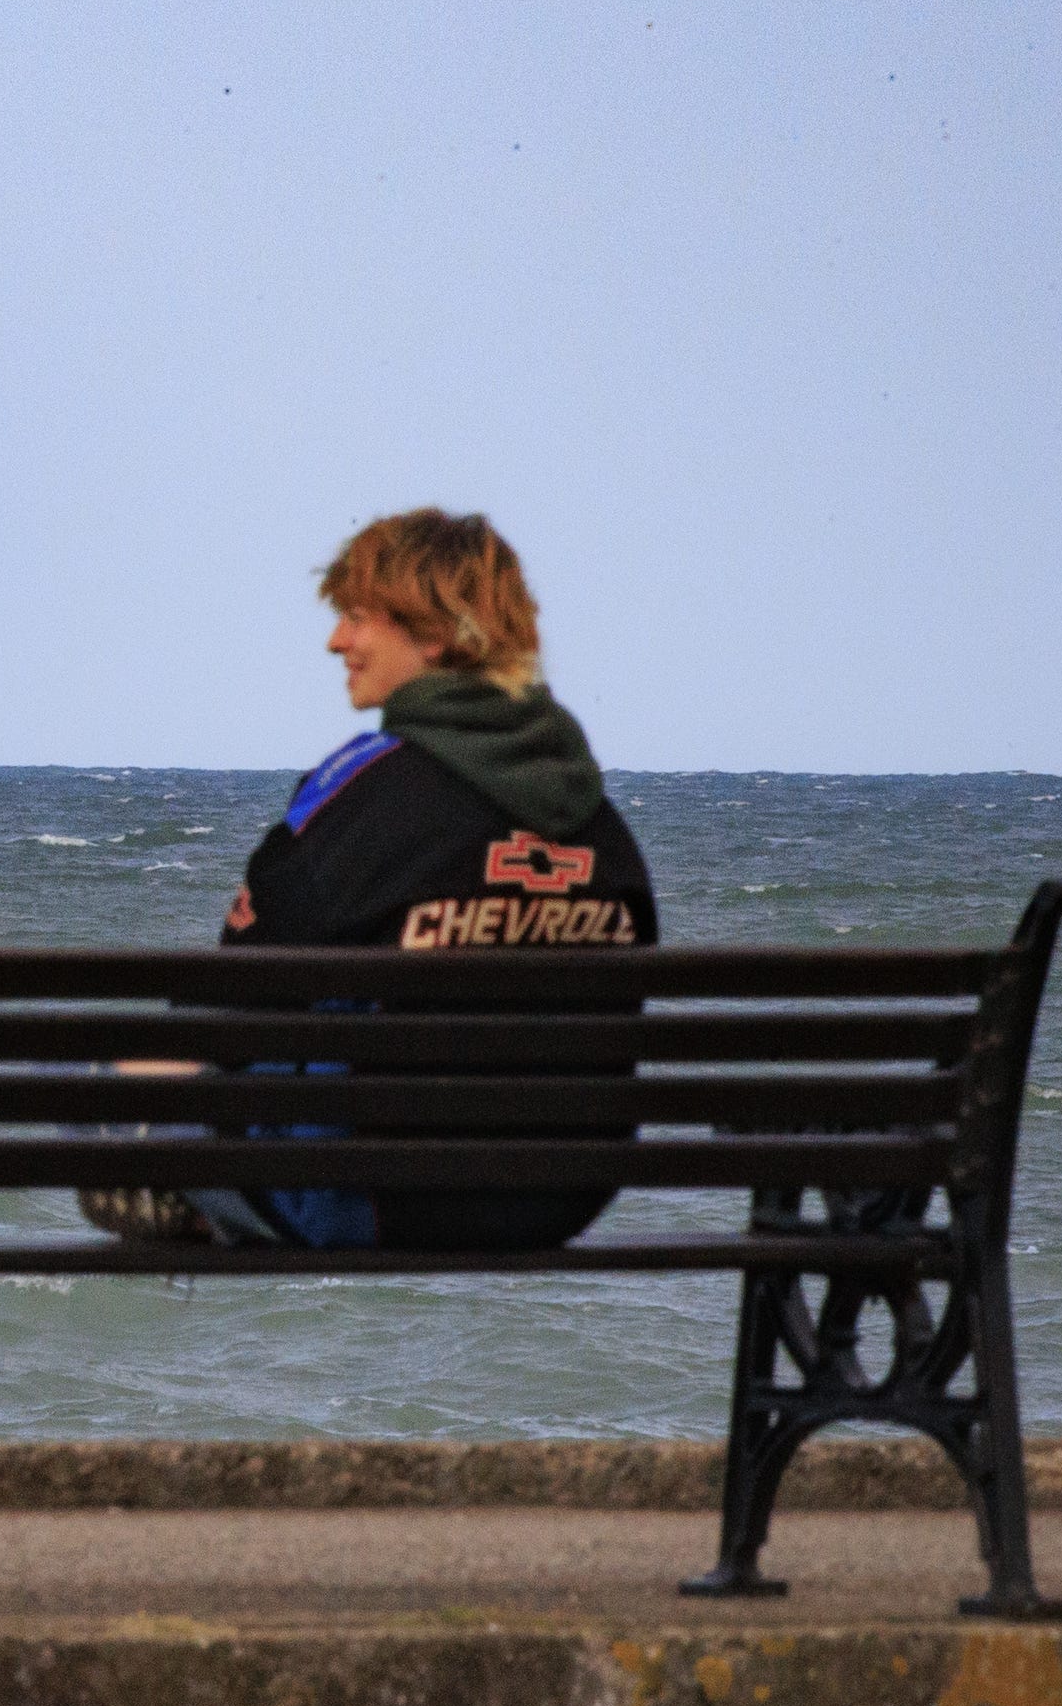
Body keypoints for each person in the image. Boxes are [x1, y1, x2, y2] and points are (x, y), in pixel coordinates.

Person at [86, 508, 657, 1253]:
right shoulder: (600, 825)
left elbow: (225, 992)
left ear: (433, 632)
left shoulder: (363, 795)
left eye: (357, 618)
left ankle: (197, 1215)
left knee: (102, 1074)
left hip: (369, 1202)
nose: (336, 642)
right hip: (558, 1204)